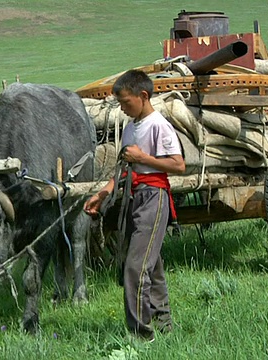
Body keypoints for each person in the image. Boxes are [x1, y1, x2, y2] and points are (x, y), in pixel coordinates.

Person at [83, 69, 185, 341]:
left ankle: (141, 335)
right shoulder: (130, 128)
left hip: (153, 197)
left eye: (126, 102)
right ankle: (165, 327)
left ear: (143, 95)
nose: (123, 108)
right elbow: (124, 170)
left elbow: (178, 164)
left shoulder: (159, 125)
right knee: (153, 267)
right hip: (132, 196)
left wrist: (144, 157)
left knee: (135, 268)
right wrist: (103, 194)